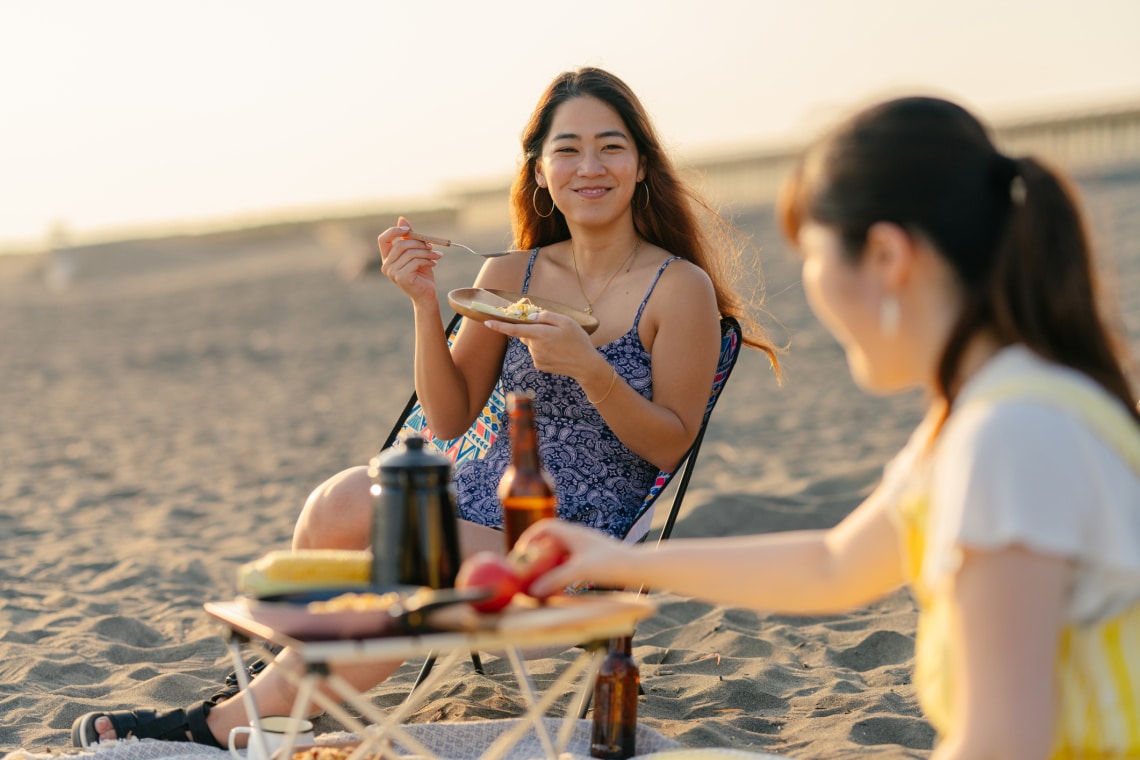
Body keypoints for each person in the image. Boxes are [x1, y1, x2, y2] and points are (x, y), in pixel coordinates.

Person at [72, 67, 779, 746]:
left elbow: (668, 444)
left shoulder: (675, 286)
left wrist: (590, 369)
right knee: (340, 501)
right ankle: (286, 691)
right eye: (566, 149)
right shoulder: (508, 275)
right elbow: (449, 421)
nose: (588, 166)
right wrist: (421, 304)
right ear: (539, 171)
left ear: (641, 166)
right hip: (475, 488)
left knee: (411, 551)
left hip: (571, 528)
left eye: (610, 147)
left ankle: (232, 723)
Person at [521, 95, 1140, 759]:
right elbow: (834, 565)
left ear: (885, 255)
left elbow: (1003, 743)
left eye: (811, 256)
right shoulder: (997, 412)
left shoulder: (1010, 435)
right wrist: (618, 558)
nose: (813, 289)